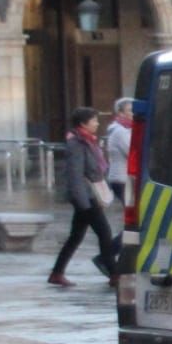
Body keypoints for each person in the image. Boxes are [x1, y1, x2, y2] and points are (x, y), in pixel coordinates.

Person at [48, 107, 118, 289]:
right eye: (93, 120)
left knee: (76, 236)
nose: (97, 123)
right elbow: (75, 175)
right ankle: (114, 273)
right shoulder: (77, 144)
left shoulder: (88, 142)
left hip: (88, 195)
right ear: (83, 124)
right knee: (105, 233)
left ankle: (57, 273)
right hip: (86, 197)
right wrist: (83, 203)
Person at [103, 96, 133, 196]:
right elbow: (131, 151)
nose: (134, 113)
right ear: (121, 113)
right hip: (121, 178)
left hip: (123, 177)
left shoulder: (127, 129)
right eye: (130, 110)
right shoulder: (120, 131)